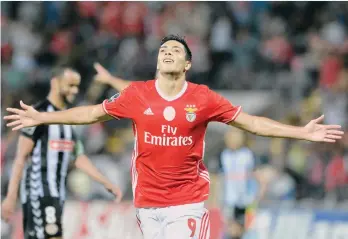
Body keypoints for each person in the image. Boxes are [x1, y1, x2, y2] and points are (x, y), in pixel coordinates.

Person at [4, 35, 344, 239]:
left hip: (188, 202)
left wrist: (301, 132)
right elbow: (90, 113)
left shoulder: (204, 97)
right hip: (147, 204)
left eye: (176, 51)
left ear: (187, 65)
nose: (167, 52)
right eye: (163, 48)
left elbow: (252, 123)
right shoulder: (136, 95)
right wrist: (41, 116)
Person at [1, 67, 122, 239]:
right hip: (39, 192)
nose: (74, 90)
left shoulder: (67, 119)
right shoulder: (37, 114)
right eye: (70, 85)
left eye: (76, 86)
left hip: (57, 192)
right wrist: (11, 197)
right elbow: (21, 158)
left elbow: (78, 156)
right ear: (55, 83)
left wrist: (105, 182)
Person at [219, 128, 269, 239]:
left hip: (248, 202)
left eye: (234, 138)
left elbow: (261, 178)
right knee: (232, 232)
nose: (231, 141)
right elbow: (219, 179)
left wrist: (258, 197)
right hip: (230, 202)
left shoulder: (248, 155)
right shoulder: (224, 155)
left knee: (248, 231)